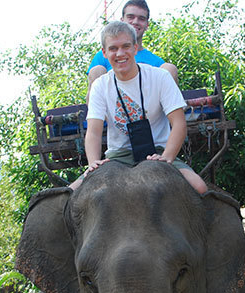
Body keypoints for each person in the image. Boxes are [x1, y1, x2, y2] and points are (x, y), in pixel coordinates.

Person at [72, 20, 207, 194]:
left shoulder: (160, 77)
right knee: (70, 195)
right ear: (104, 53)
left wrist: (166, 157)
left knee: (200, 188)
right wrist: (92, 163)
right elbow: (94, 132)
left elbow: (179, 123)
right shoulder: (100, 85)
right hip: (118, 156)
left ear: (135, 48)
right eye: (113, 48)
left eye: (126, 46)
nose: (120, 53)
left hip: (157, 149)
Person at [87, 0, 178, 92]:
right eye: (130, 17)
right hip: (112, 104)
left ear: (147, 25)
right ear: (122, 20)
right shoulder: (104, 56)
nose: (135, 22)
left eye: (141, 18)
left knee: (169, 69)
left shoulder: (157, 63)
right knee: (96, 70)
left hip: (149, 104)